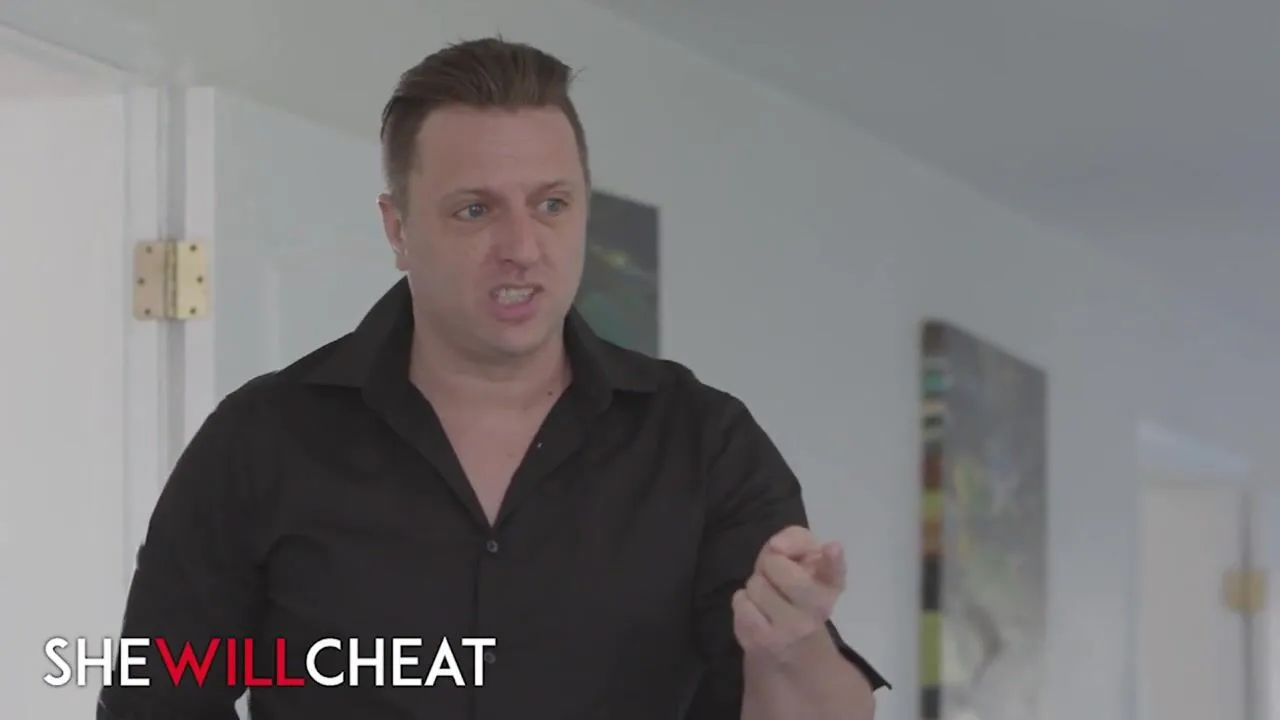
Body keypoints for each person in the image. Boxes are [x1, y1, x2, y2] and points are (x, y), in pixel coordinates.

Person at [98, 37, 888, 720]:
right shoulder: (262, 441)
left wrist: (793, 646)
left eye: (551, 204)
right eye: (474, 211)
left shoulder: (703, 444)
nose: (522, 246)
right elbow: (152, 701)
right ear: (398, 229)